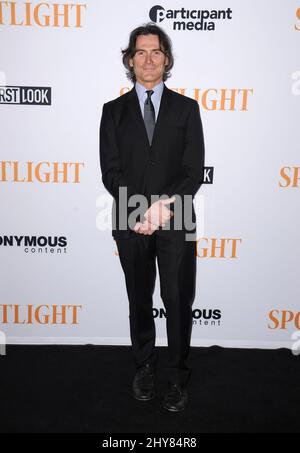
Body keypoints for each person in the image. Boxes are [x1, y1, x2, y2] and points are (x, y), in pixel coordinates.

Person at [99, 23, 205, 412]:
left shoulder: (187, 108)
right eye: (140, 52)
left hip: (176, 218)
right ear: (130, 60)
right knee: (139, 298)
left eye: (156, 52)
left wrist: (163, 206)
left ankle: (177, 376)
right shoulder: (112, 112)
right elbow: (111, 170)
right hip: (131, 219)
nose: (148, 59)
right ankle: (144, 365)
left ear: (167, 59)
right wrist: (141, 210)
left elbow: (193, 170)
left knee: (177, 299)